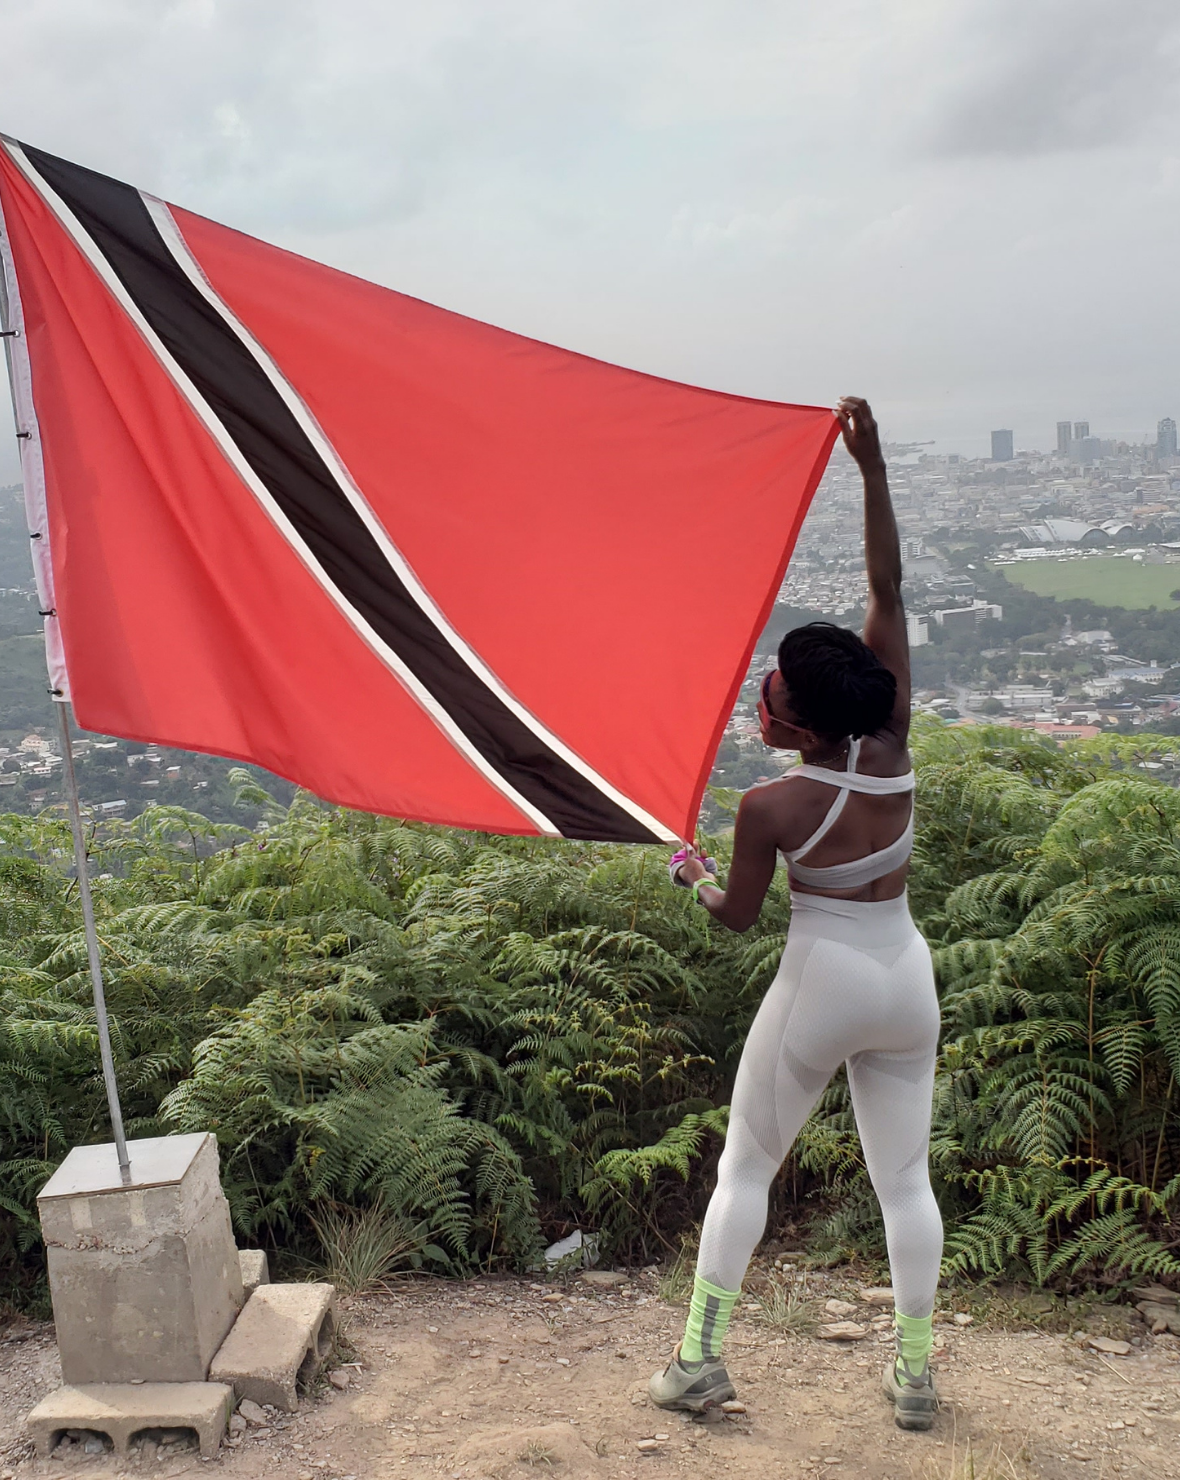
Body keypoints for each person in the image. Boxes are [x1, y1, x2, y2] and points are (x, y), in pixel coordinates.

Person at [650, 397, 942, 1433]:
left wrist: (686, 874)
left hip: (819, 984)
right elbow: (887, 586)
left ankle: (696, 1359)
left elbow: (733, 919)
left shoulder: (770, 805)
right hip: (906, 978)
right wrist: (868, 471)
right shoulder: (893, 736)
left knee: (745, 1166)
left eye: (768, 689)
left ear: (793, 721)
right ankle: (912, 1376)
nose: (758, 695)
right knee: (903, 1181)